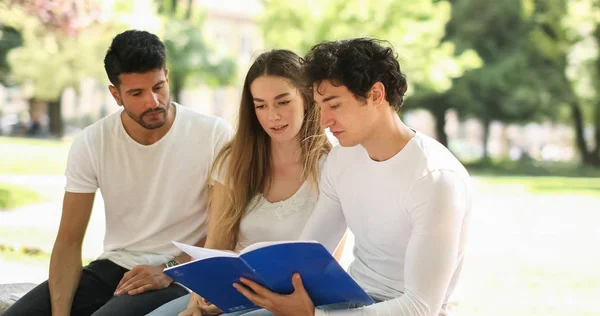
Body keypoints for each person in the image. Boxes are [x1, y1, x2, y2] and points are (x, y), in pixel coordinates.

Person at [231, 38, 472, 316]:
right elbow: (308, 254)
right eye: (320, 106)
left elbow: (420, 307)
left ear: (376, 95)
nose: (323, 121)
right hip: (348, 300)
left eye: (334, 105)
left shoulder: (435, 179)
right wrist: (240, 293)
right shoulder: (342, 159)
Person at [4, 30, 233, 316]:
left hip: (182, 272)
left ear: (167, 76)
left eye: (158, 87)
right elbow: (69, 241)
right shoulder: (92, 141)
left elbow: (223, 226)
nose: (153, 101)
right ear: (115, 94)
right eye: (136, 93)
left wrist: (169, 270)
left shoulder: (213, 134)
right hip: (115, 265)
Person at [147, 49, 339, 316]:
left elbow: (330, 266)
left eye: (283, 102)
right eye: (261, 105)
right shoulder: (234, 161)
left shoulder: (333, 166)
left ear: (306, 97)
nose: (273, 116)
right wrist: (198, 303)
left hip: (295, 303)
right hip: (231, 292)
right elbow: (216, 243)